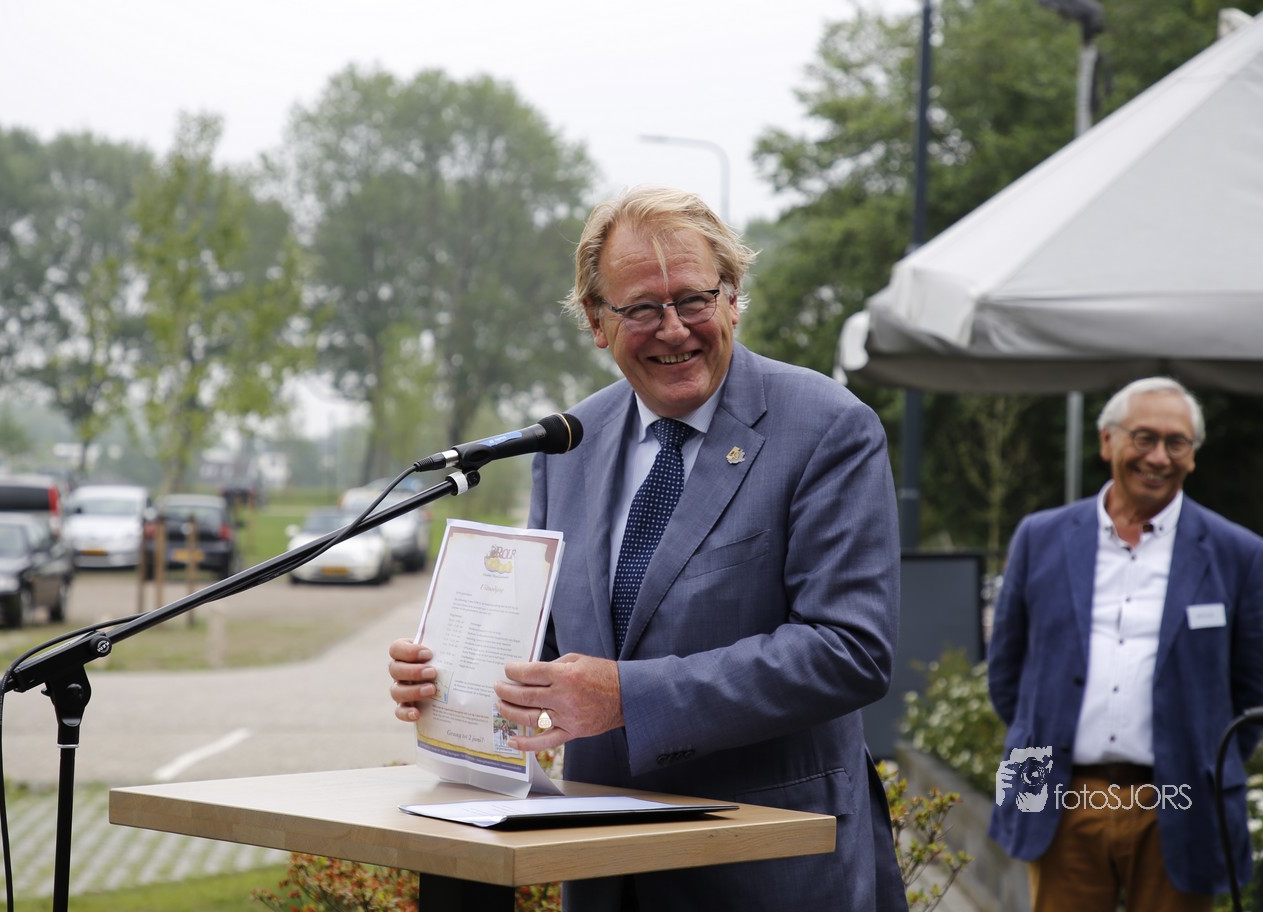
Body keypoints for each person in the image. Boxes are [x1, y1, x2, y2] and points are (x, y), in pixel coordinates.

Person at [389, 186, 907, 911]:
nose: (673, 329)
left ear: (733, 298)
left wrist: (627, 697)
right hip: (605, 873)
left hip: (768, 870)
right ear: (597, 322)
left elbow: (850, 650)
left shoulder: (828, 428)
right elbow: (554, 647)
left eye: (694, 299)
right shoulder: (568, 444)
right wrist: (454, 677)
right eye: (640, 309)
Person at [986, 376, 1263, 911]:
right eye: (1144, 438)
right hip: (1058, 794)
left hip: (1182, 802)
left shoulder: (1241, 554)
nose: (1159, 457)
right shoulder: (1040, 537)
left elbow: (1254, 693)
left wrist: (1200, 761)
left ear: (1193, 455)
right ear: (1107, 441)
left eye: (1177, 442)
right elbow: (1006, 672)